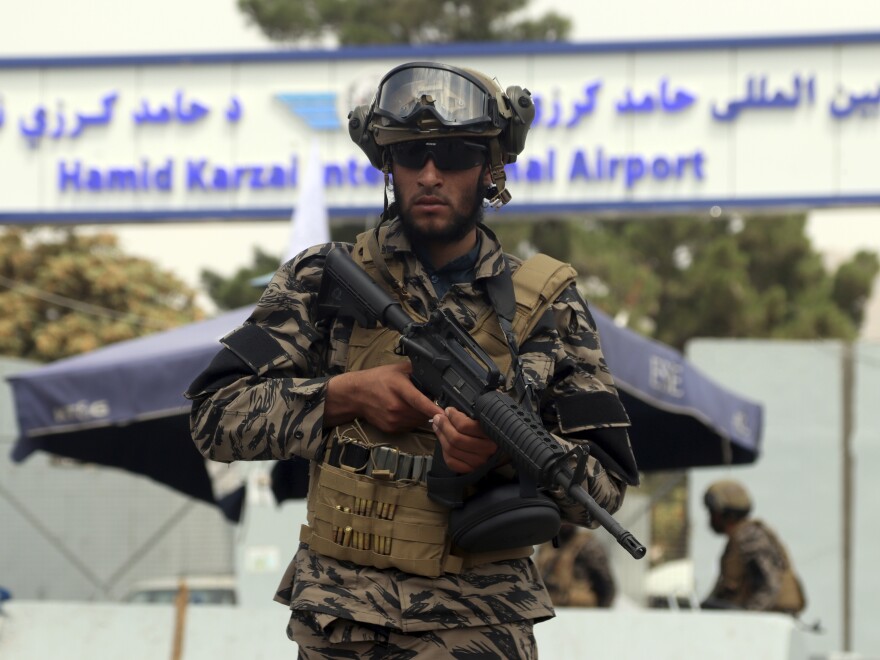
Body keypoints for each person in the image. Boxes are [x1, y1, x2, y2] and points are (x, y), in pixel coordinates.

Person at [186, 61, 639, 659]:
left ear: (490, 168)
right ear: (386, 165)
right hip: (341, 625)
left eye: (452, 156)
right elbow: (214, 418)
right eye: (410, 155)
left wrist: (502, 454)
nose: (429, 175)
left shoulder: (547, 303)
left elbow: (603, 491)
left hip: (479, 629)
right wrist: (345, 395)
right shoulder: (321, 281)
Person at [701, 479, 806, 615]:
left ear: (722, 513)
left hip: (765, 624)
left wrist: (749, 617)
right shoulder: (740, 536)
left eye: (712, 512)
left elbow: (772, 584)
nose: (710, 517)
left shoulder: (748, 536)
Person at [535, 524, 616, 608]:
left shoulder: (589, 545)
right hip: (550, 607)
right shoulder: (546, 546)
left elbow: (606, 590)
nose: (566, 523)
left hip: (580, 611)